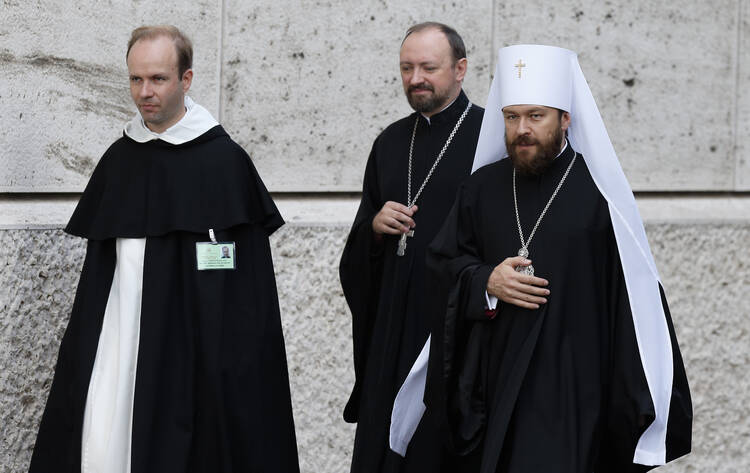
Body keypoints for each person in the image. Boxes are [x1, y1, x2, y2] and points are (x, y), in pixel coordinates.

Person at [29, 25, 299, 473]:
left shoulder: (224, 162)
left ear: (186, 80)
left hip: (200, 345)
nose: (144, 92)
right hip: (122, 334)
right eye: (136, 79)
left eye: (158, 79)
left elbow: (247, 289)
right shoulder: (121, 158)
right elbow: (100, 273)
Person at [417, 45, 693, 472]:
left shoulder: (600, 196)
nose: (521, 129)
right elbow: (441, 266)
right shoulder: (480, 189)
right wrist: (486, 282)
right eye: (512, 117)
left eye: (535, 116)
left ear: (565, 119)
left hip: (574, 393)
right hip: (494, 388)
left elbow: (633, 302)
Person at [339, 22, 484, 473]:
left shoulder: (489, 138)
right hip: (393, 327)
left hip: (455, 330)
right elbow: (357, 254)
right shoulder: (390, 142)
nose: (415, 78)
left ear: (460, 69)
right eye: (406, 68)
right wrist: (376, 230)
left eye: (428, 67)